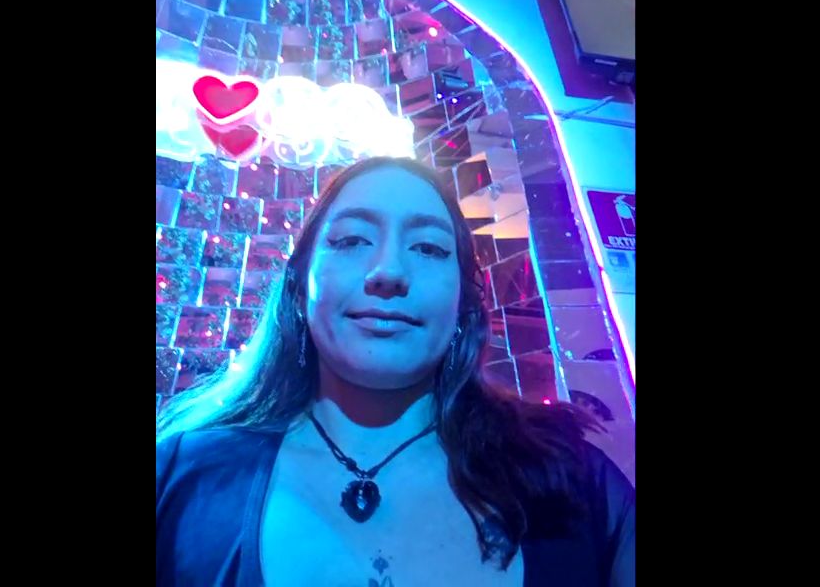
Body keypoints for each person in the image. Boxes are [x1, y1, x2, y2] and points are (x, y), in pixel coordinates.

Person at [157, 156, 634, 586]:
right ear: (300, 287)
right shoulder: (180, 478)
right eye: (351, 240)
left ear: (463, 303)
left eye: (428, 248)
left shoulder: (576, 484)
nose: (388, 271)